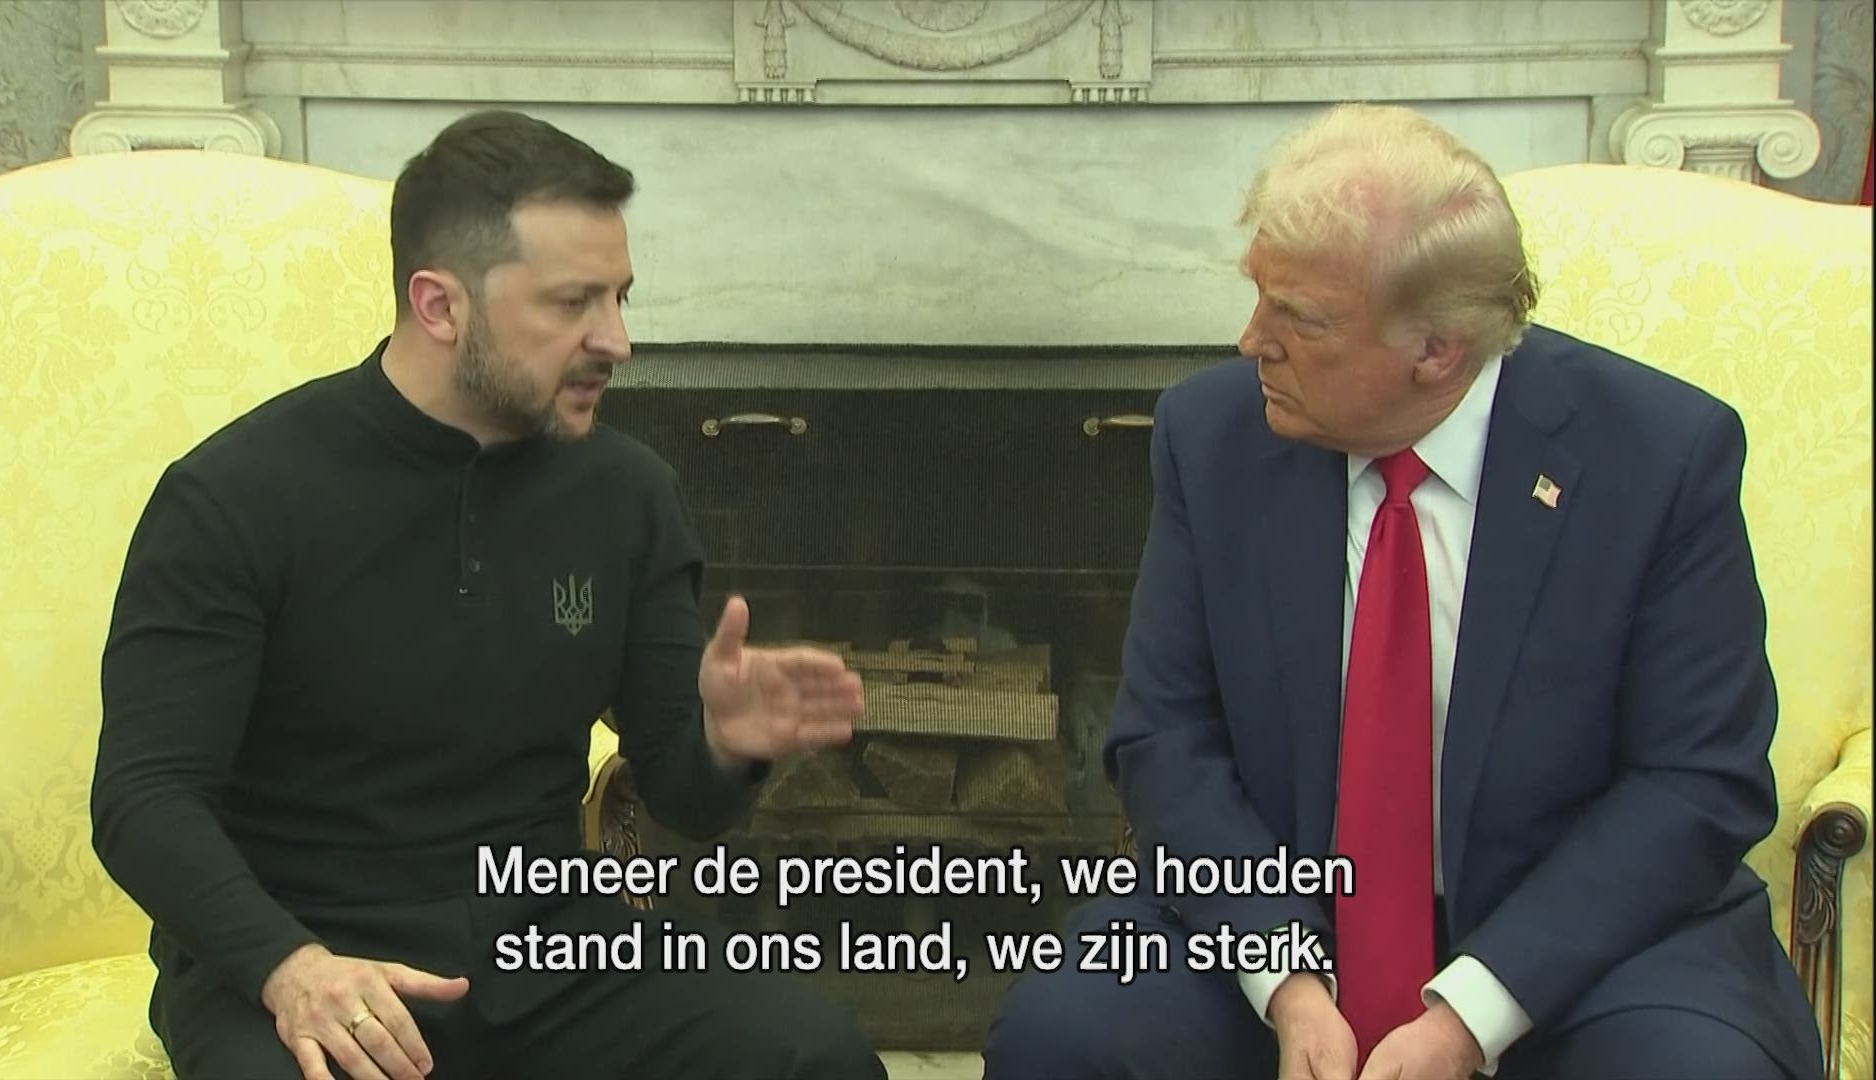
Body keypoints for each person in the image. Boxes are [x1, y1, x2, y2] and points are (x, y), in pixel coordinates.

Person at [983, 103, 1825, 1080]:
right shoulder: (1211, 439)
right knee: (1063, 1040)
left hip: (1581, 936)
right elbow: (1166, 739)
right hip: (1275, 908)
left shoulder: (1659, 456)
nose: (1251, 340)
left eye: (1300, 319)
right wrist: (1285, 977)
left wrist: (1470, 1013)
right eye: (1258, 296)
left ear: (1437, 349)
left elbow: (1697, 780)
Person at [91, 109, 886, 1080]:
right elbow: (144, 799)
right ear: (440, 306)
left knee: (812, 1055)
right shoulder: (234, 496)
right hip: (303, 950)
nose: (618, 340)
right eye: (572, 304)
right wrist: (287, 966)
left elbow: (682, 791)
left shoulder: (628, 494)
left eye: (621, 298)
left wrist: (725, 743)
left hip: (544, 944)